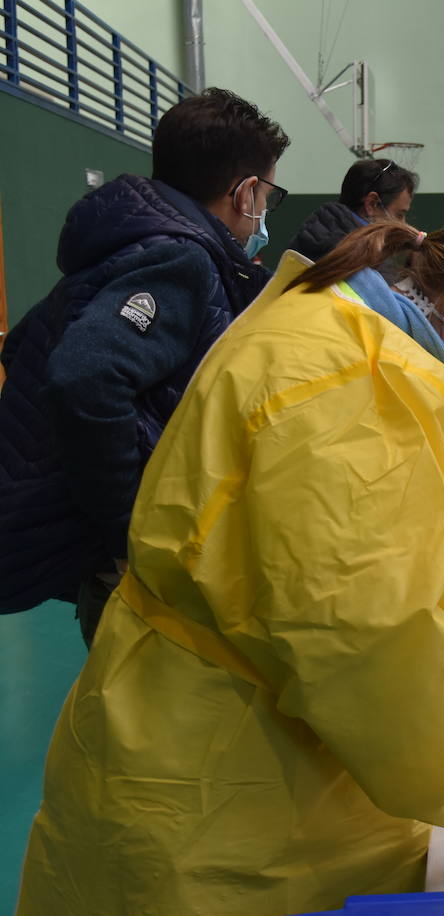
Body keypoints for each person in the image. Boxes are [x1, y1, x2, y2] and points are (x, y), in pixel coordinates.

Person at [16, 208, 444, 915]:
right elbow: (380, 656)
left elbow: (422, 590)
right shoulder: (362, 384)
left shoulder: (332, 331)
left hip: (202, 746)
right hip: (225, 806)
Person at [0, 88, 290, 643]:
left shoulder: (128, 238)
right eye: (267, 196)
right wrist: (130, 528)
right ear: (247, 191)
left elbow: (26, 344)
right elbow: (83, 378)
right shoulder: (181, 256)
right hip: (128, 567)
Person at [285, 157, 419, 263]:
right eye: (399, 214)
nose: (403, 224)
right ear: (372, 204)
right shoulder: (362, 260)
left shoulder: (311, 236)